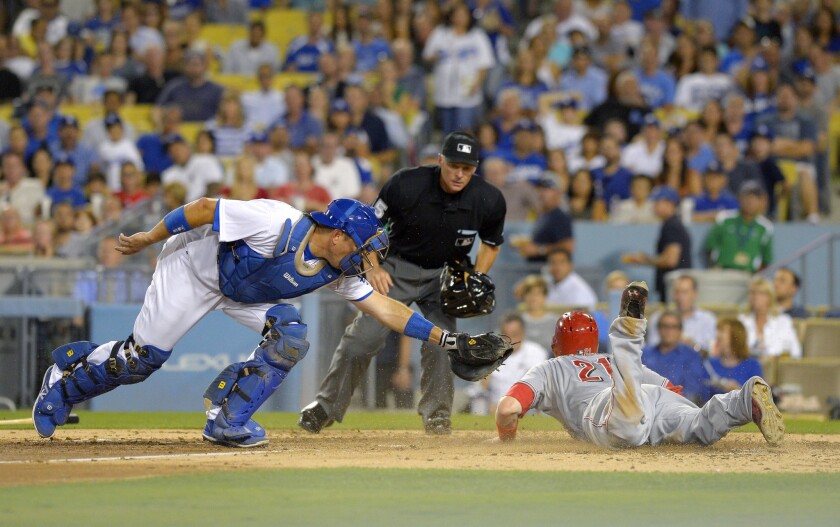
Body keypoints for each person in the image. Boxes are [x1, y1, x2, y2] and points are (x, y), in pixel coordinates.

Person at [33, 195, 502, 447]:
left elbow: (387, 309)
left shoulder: (340, 268)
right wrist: (147, 238)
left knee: (292, 337)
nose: (366, 254)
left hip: (244, 292)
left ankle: (227, 420)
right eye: (360, 244)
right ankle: (64, 380)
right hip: (195, 270)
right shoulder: (275, 220)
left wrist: (446, 338)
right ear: (338, 236)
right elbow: (202, 209)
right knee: (140, 362)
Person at [299, 131, 506, 435]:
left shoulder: (488, 199)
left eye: (468, 168)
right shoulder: (406, 184)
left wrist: (477, 275)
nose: (460, 174)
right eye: (454, 166)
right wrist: (371, 268)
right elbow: (368, 226)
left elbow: (491, 243)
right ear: (440, 161)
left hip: (445, 275)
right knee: (362, 339)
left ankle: (437, 415)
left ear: (476, 168)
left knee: (443, 343)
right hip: (396, 269)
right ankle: (326, 406)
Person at [493, 285, 785, 449]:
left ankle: (628, 334)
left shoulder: (550, 367)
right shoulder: (604, 361)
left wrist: (507, 438)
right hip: (652, 396)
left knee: (628, 428)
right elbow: (671, 389)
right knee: (698, 427)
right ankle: (743, 401)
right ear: (594, 342)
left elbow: (508, 409)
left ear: (556, 344)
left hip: (607, 408)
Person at [621, 186, 692, 302]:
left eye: (657, 202)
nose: (653, 206)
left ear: (670, 204)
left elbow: (671, 260)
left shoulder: (672, 226)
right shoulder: (672, 224)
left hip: (674, 290)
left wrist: (644, 260)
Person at [468, 313, 548, 415]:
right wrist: (482, 385)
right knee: (479, 401)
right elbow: (476, 391)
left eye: (515, 334)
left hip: (525, 409)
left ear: (523, 333)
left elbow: (539, 389)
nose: (511, 340)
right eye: (506, 335)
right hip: (494, 408)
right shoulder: (488, 355)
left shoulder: (536, 352)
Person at [641, 310, 711, 404]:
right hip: (646, 405)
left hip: (678, 408)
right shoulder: (645, 353)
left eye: (673, 327)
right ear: (658, 329)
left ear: (680, 331)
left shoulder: (691, 356)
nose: (669, 331)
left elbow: (694, 390)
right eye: (665, 326)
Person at [705, 181, 773, 273]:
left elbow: (766, 258)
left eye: (755, 198)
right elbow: (710, 246)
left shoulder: (765, 227)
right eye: (747, 197)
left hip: (748, 274)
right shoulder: (725, 219)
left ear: (761, 201)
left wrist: (755, 276)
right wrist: (715, 266)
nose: (750, 201)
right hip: (723, 271)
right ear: (739, 199)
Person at [646, 275, 717, 353]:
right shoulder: (658, 318)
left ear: (695, 294)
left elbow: (712, 353)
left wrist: (692, 345)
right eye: (677, 292)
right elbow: (651, 349)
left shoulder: (708, 320)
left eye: (685, 292)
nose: (680, 297)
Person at [738, 277, 802, 358]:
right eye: (752, 293)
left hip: (777, 366)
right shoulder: (741, 321)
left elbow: (796, 352)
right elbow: (734, 351)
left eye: (761, 293)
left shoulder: (783, 321)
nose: (755, 297)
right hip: (747, 367)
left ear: (770, 297)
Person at [706, 317, 763, 396]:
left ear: (735, 338)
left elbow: (759, 397)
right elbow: (701, 394)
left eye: (722, 332)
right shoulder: (710, 364)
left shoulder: (752, 365)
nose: (718, 336)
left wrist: (739, 390)